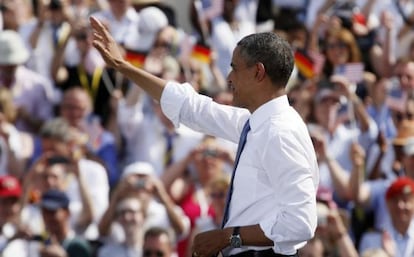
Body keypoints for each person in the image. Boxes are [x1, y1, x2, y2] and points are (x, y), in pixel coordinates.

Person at [90, 16, 319, 257]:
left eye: (235, 68)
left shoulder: (280, 132)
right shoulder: (256, 123)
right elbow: (192, 107)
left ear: (258, 72)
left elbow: (300, 223)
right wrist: (123, 66)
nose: (229, 77)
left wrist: (228, 237)